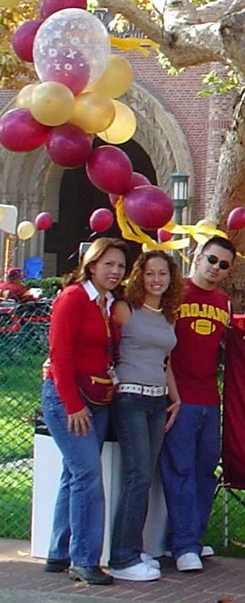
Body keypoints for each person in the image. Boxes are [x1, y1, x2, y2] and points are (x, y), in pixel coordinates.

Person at [161, 235, 245, 573]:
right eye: (211, 260)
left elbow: (230, 343)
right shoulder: (174, 294)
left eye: (223, 265)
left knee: (206, 470)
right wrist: (171, 393)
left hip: (210, 398)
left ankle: (193, 536)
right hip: (179, 399)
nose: (216, 268)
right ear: (198, 257)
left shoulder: (223, 302)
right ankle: (182, 544)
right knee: (180, 471)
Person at [42, 237, 128, 585]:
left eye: (120, 266)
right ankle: (85, 559)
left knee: (73, 474)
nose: (115, 271)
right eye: (108, 264)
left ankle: (58, 552)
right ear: (91, 265)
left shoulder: (109, 303)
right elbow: (59, 355)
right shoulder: (74, 298)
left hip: (99, 395)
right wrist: (72, 405)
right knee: (88, 475)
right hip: (69, 397)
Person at [108, 251, 184, 582]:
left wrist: (175, 397)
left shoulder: (169, 314)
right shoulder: (125, 309)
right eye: (150, 273)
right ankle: (121, 558)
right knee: (137, 476)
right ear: (140, 276)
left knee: (145, 474)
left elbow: (165, 360)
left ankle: (134, 548)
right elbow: (104, 347)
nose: (156, 280)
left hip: (157, 402)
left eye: (162, 274)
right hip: (129, 398)